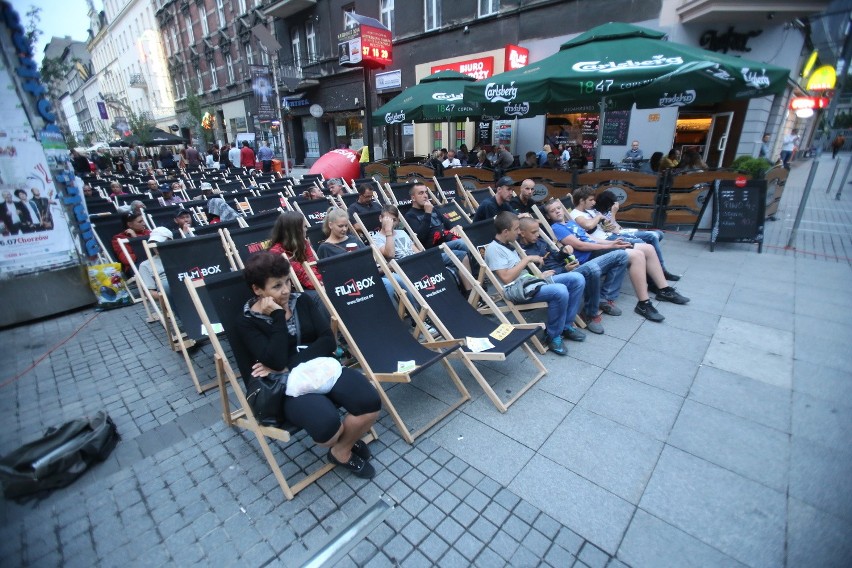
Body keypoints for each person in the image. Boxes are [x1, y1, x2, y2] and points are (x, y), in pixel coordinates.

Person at [234, 251, 381, 478]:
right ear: (257, 290)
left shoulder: (302, 301)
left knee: (370, 402)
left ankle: (342, 450)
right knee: (327, 429)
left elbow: (327, 341)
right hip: (286, 388)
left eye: (287, 282)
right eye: (276, 286)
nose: (286, 290)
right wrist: (277, 317)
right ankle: (343, 442)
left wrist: (290, 364)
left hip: (321, 369)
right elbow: (274, 360)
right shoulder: (246, 322)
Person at [543, 199, 687, 322]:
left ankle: (664, 289)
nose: (557, 211)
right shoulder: (557, 227)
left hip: (597, 248)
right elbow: (580, 245)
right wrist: (610, 245)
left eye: (558, 208)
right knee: (637, 255)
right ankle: (644, 303)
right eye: (552, 211)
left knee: (648, 248)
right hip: (589, 256)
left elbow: (591, 238)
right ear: (549, 216)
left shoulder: (571, 223)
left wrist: (612, 243)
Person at [484, 212, 586, 355]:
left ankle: (566, 326)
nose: (519, 232)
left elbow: (522, 273)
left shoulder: (509, 243)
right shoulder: (494, 250)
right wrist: (527, 259)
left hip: (531, 281)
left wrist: (538, 275)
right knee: (560, 290)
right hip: (517, 290)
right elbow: (506, 278)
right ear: (506, 232)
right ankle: (552, 336)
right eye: (516, 229)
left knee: (577, 278)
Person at [517, 216, 614, 335]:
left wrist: (563, 252)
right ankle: (589, 314)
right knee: (592, 269)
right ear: (522, 233)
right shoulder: (522, 252)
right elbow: (539, 276)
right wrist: (564, 269)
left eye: (538, 231)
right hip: (551, 278)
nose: (538, 234)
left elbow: (555, 256)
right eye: (534, 232)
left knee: (618, 255)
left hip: (565, 270)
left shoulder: (539, 242)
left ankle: (575, 320)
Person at [571, 186, 679, 281]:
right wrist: (601, 217)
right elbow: (588, 226)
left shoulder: (589, 211)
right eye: (591, 200)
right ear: (581, 201)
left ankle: (658, 271)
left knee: (654, 236)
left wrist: (606, 223)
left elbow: (612, 227)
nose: (594, 202)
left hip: (610, 235)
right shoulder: (576, 214)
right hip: (607, 240)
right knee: (644, 243)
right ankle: (655, 275)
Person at [373, 204, 473, 291]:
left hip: (419, 261)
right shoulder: (376, 238)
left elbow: (416, 251)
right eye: (388, 220)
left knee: (461, 255)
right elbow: (390, 254)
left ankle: (471, 293)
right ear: (380, 218)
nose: (391, 223)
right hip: (405, 267)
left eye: (394, 220)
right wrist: (388, 231)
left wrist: (426, 258)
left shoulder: (402, 232)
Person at [404, 182, 469, 263]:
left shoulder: (433, 209)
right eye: (421, 193)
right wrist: (427, 213)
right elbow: (420, 238)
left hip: (446, 241)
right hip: (432, 249)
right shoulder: (410, 215)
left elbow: (448, 224)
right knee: (461, 244)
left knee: (466, 239)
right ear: (413, 198)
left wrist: (455, 227)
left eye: (426, 192)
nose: (425, 196)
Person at [138, 226, 173, 300]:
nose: (155, 245)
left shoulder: (182, 255)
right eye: (152, 243)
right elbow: (150, 293)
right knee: (165, 284)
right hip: (169, 292)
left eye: (158, 242)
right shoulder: (145, 265)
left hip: (187, 284)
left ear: (170, 241)